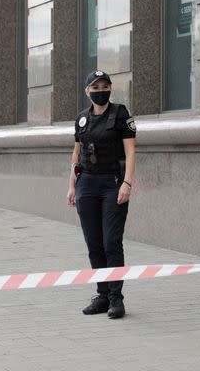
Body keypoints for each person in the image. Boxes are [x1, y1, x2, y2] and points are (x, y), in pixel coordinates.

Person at [67, 70, 136, 319]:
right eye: (95, 88)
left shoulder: (120, 114)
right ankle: (103, 295)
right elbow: (76, 154)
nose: (100, 91)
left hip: (112, 183)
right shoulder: (82, 119)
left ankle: (117, 298)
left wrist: (127, 182)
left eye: (105, 86)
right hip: (86, 184)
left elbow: (130, 152)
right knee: (94, 243)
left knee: (111, 242)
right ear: (87, 91)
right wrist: (72, 185)